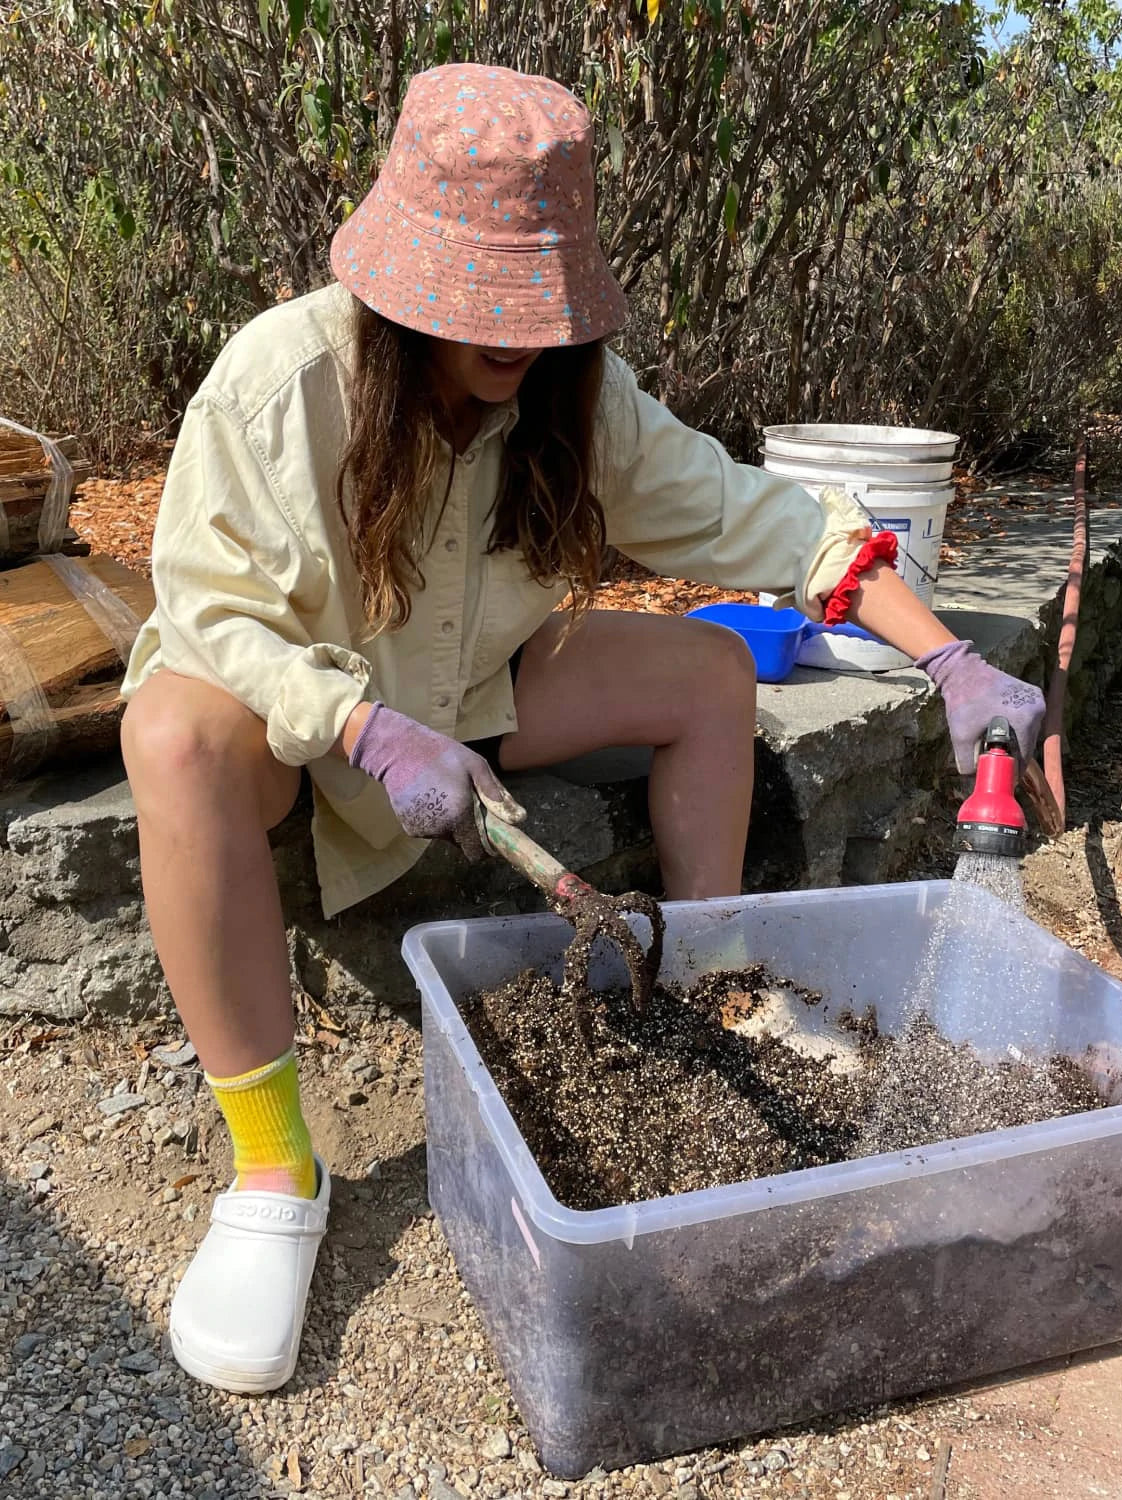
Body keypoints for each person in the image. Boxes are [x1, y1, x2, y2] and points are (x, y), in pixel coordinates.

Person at [118, 62, 1044, 1395]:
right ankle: (275, 1163)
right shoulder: (284, 381)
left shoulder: (574, 401)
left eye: (532, 305)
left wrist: (946, 655)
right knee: (173, 737)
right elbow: (209, 613)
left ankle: (719, 981)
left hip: (474, 694)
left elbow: (766, 521)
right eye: (479, 300)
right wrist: (361, 726)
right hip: (301, 720)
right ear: (403, 282)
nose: (510, 335)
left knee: (712, 676)